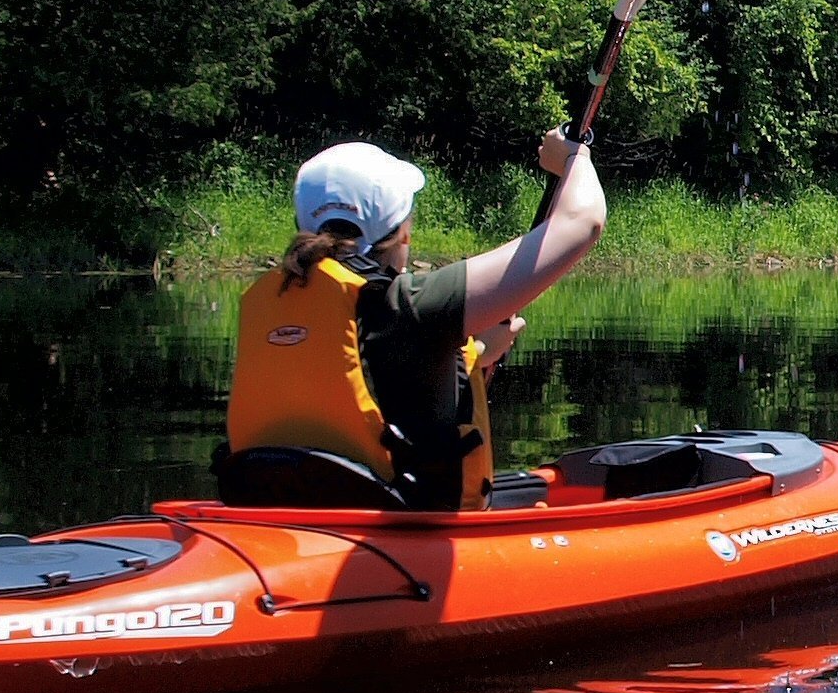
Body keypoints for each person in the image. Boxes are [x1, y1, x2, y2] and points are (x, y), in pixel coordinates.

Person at [224, 130, 606, 510]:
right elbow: (581, 223)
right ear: (401, 233)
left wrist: (476, 354)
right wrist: (574, 158)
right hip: (403, 535)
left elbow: (370, 373)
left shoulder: (271, 301)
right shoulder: (409, 305)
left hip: (281, 519)